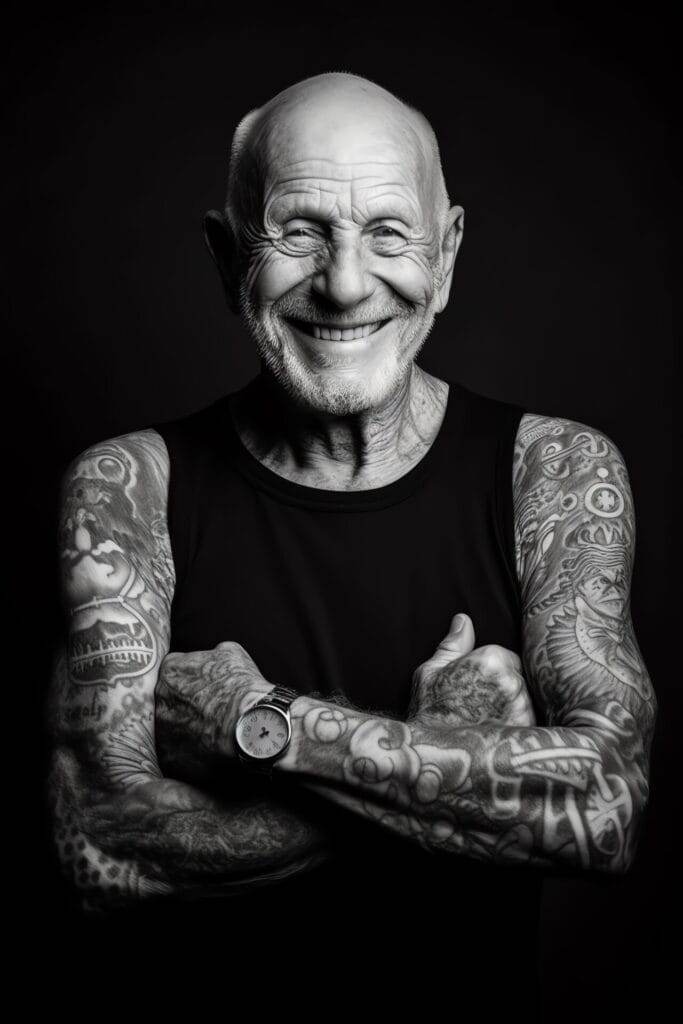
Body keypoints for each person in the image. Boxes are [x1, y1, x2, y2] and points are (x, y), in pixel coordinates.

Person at [47, 72, 656, 1005]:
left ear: (445, 255)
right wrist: (446, 758)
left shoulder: (556, 472)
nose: (341, 283)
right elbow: (101, 843)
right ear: (224, 257)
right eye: (298, 232)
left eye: (388, 233)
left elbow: (603, 808)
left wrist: (267, 731)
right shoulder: (127, 488)